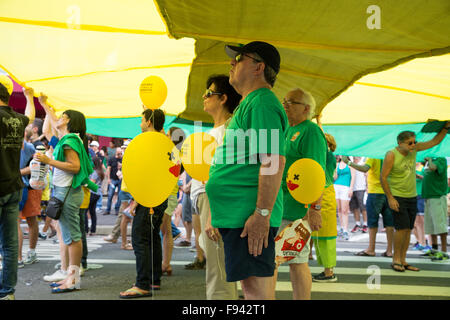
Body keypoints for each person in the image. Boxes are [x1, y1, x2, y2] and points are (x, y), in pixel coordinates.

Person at [206, 41, 287, 300]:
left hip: (248, 216)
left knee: (256, 292)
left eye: (239, 58)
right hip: (240, 216)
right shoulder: (251, 103)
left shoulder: (261, 103)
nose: (232, 62)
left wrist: (262, 214)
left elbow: (273, 161)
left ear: (259, 67)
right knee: (252, 289)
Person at [272, 88, 327, 300]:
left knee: (292, 261)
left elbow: (317, 173)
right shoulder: (287, 130)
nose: (284, 105)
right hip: (281, 205)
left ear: (306, 108)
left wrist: (315, 209)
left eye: (290, 102)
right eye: (284, 101)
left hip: (298, 209)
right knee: (286, 260)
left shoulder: (310, 131)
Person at [34, 109, 96, 292]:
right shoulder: (70, 139)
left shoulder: (69, 141)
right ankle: (71, 277)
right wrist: (46, 107)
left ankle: (74, 280)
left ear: (70, 121)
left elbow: (74, 167)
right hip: (67, 192)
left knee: (73, 237)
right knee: (70, 237)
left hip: (67, 192)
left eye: (62, 117)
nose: (59, 119)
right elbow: (50, 128)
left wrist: (48, 160)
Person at [192, 74, 241, 299]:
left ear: (223, 98)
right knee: (218, 266)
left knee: (218, 270)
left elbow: (220, 179)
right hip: (207, 202)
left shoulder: (230, 130)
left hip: (214, 204)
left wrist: (213, 215)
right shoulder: (217, 131)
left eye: (208, 93)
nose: (204, 97)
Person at [380, 125, 449, 272]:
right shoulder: (391, 155)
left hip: (412, 196)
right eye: (410, 143)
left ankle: (403, 260)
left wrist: (445, 128)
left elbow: (434, 142)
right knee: (401, 228)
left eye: (414, 142)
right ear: (400, 143)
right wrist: (390, 198)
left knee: (408, 229)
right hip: (398, 196)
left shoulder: (414, 150)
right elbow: (383, 177)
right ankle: (396, 259)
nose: (413, 145)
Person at [119, 108, 168, 298]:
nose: (140, 124)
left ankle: (142, 284)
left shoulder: (148, 142)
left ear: (148, 122)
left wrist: (136, 201)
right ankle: (153, 279)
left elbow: (147, 174)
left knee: (140, 239)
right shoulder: (164, 142)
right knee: (153, 237)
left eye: (142, 120)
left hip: (148, 198)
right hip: (160, 196)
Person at [0, 83, 35, 300]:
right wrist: (29, 98)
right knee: (10, 244)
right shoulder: (17, 119)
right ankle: (7, 292)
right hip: (14, 187)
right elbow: (29, 116)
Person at [342, 156, 394, 257]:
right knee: (389, 223)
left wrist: (349, 163)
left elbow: (365, 168)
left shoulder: (374, 155)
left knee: (372, 222)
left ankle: (371, 249)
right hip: (389, 192)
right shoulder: (390, 155)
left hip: (375, 192)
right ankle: (389, 251)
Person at [311, 133, 338, 282]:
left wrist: (319, 123)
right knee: (320, 237)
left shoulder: (327, 155)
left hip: (325, 196)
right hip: (322, 195)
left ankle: (329, 272)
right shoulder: (324, 156)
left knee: (327, 237)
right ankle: (327, 270)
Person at [161, 127, 186, 275]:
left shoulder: (172, 154)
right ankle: (166, 264)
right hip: (172, 194)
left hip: (167, 195)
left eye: (169, 135)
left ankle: (165, 264)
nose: (166, 136)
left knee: (164, 231)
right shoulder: (179, 153)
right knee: (166, 231)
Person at [422, 157, 448, 257]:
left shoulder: (440, 159)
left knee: (440, 225)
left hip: (437, 197)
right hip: (429, 196)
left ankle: (444, 252)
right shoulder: (431, 159)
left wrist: (429, 160)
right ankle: (434, 249)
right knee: (431, 226)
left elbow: (433, 168)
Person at [334, 156, 355, 240]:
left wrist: (351, 188)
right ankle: (342, 228)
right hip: (336, 186)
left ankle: (346, 230)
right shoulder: (337, 164)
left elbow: (353, 177)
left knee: (345, 210)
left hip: (346, 188)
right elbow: (334, 177)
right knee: (339, 209)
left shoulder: (350, 164)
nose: (340, 156)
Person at [348, 157, 368, 233]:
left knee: (363, 208)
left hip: (361, 188)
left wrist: (367, 187)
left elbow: (367, 175)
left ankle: (365, 224)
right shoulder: (351, 162)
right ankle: (357, 224)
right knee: (354, 208)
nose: (354, 156)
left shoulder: (362, 163)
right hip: (352, 188)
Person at [86, 157, 104, 236]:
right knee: (92, 212)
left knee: (85, 211)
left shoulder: (94, 172)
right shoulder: (100, 171)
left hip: (92, 193)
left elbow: (91, 183)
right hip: (97, 193)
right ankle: (93, 230)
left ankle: (85, 229)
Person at [412, 162, 428, 251]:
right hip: (411, 195)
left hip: (420, 195)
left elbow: (426, 179)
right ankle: (419, 241)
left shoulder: (422, 168)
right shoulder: (410, 167)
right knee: (414, 222)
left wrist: (418, 176)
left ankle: (424, 242)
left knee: (421, 221)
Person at [104, 147, 123, 215]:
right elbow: (108, 169)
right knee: (110, 195)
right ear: (116, 152)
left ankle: (117, 209)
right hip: (113, 179)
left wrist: (121, 166)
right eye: (118, 153)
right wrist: (108, 179)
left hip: (120, 179)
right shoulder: (112, 159)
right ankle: (108, 209)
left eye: (121, 153)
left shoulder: (123, 159)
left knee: (120, 195)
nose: (120, 155)